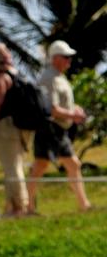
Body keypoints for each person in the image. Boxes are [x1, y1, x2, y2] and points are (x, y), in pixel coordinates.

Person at [27, 40, 91, 213]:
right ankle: (84, 205)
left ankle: (29, 206)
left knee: (40, 165)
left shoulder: (58, 76)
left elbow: (62, 105)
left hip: (57, 128)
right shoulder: (49, 78)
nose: (69, 61)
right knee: (72, 164)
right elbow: (53, 110)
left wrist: (73, 109)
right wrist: (73, 115)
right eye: (66, 57)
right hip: (51, 128)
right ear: (55, 58)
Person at [0, 43, 32, 217]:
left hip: (5, 127)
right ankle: (15, 206)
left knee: (11, 167)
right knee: (15, 166)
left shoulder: (0, 78)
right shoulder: (17, 75)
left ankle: (19, 207)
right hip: (19, 127)